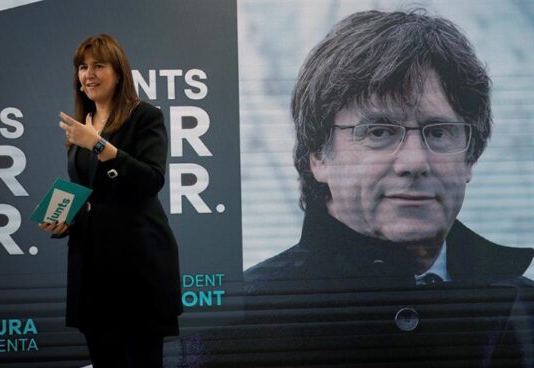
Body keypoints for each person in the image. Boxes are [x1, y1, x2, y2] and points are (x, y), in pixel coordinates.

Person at [175, 10, 534, 367]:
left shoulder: (526, 313)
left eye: (439, 132)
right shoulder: (224, 331)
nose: (414, 162)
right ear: (318, 155)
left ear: (470, 158)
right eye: (379, 131)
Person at [38, 34, 183, 368]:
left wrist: (99, 145)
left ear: (118, 73)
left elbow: (150, 181)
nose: (89, 74)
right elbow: (88, 192)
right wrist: (65, 220)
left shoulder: (146, 116)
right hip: (92, 268)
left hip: (138, 267)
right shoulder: (80, 127)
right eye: (83, 67)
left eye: (99, 66)